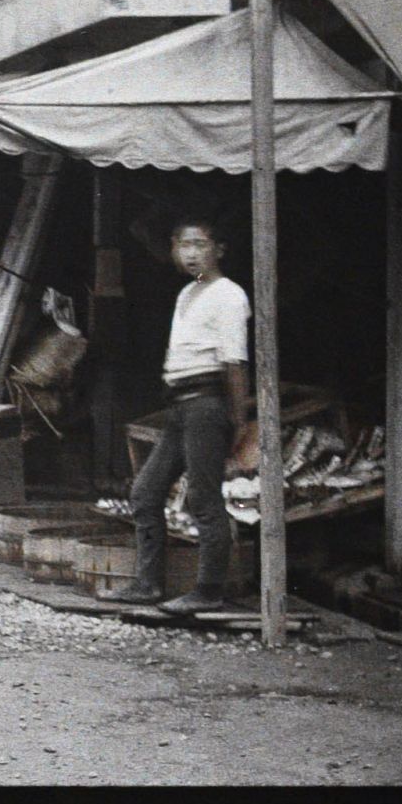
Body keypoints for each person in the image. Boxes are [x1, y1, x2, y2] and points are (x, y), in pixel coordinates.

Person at [99, 216, 251, 615]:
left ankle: (209, 589)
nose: (191, 253)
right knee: (145, 493)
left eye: (200, 244)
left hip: (207, 403)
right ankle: (147, 584)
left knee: (203, 496)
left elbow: (234, 363)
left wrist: (238, 419)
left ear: (219, 250)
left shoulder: (229, 294)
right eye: (184, 245)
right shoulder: (187, 294)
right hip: (180, 404)